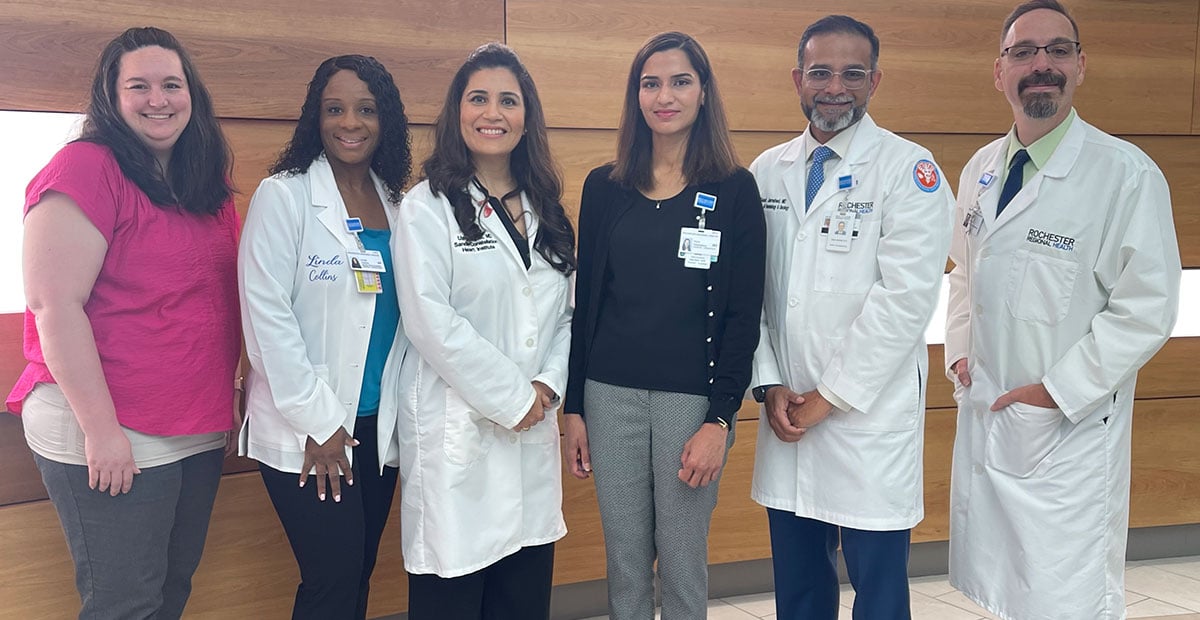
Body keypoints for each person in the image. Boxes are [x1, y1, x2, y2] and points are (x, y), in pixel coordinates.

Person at [945, 2, 1181, 618]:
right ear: (999, 72)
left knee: (1064, 594)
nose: (1040, 65)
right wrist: (961, 349)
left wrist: (1056, 390)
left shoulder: (1125, 175)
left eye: (1056, 50)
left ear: (1081, 66)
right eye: (1023, 52)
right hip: (993, 410)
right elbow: (965, 272)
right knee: (1004, 588)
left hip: (1065, 430)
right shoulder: (981, 170)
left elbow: (1147, 308)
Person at [5, 26, 240, 619]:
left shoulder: (202, 179)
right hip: (112, 425)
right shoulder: (83, 168)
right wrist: (102, 431)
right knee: (124, 606)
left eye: (171, 85)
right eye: (139, 86)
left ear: (193, 95)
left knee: (171, 592)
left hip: (194, 423)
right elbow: (55, 306)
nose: (158, 99)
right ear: (112, 97)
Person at [747, 15, 953, 619]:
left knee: (879, 590)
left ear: (875, 81)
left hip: (866, 415)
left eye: (852, 73)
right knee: (801, 588)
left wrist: (829, 397)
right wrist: (770, 381)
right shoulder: (766, 171)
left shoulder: (909, 170)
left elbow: (906, 298)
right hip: (785, 412)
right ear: (797, 79)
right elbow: (747, 293)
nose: (835, 86)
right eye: (820, 72)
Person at [563, 31, 766, 620]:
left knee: (681, 563)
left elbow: (741, 317)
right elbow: (587, 309)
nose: (664, 96)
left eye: (680, 81)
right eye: (650, 83)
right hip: (609, 396)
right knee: (625, 563)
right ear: (637, 96)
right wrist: (575, 407)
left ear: (703, 93)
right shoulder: (605, 187)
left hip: (690, 404)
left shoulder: (733, 188)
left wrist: (719, 419)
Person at [392, 43, 575, 620]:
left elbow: (570, 312)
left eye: (508, 100)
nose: (492, 112)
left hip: (532, 429)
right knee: (454, 593)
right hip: (460, 437)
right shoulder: (427, 207)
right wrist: (514, 396)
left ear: (526, 118)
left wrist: (546, 385)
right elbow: (429, 320)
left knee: (522, 595)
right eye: (478, 98)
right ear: (458, 112)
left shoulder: (547, 207)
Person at [237, 55, 411, 620]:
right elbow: (267, 321)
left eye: (365, 109)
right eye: (334, 109)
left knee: (358, 570)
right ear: (316, 117)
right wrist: (319, 422)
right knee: (332, 579)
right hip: (311, 429)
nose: (349, 123)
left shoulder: (398, 203)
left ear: (386, 120)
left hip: (375, 426)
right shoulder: (283, 197)